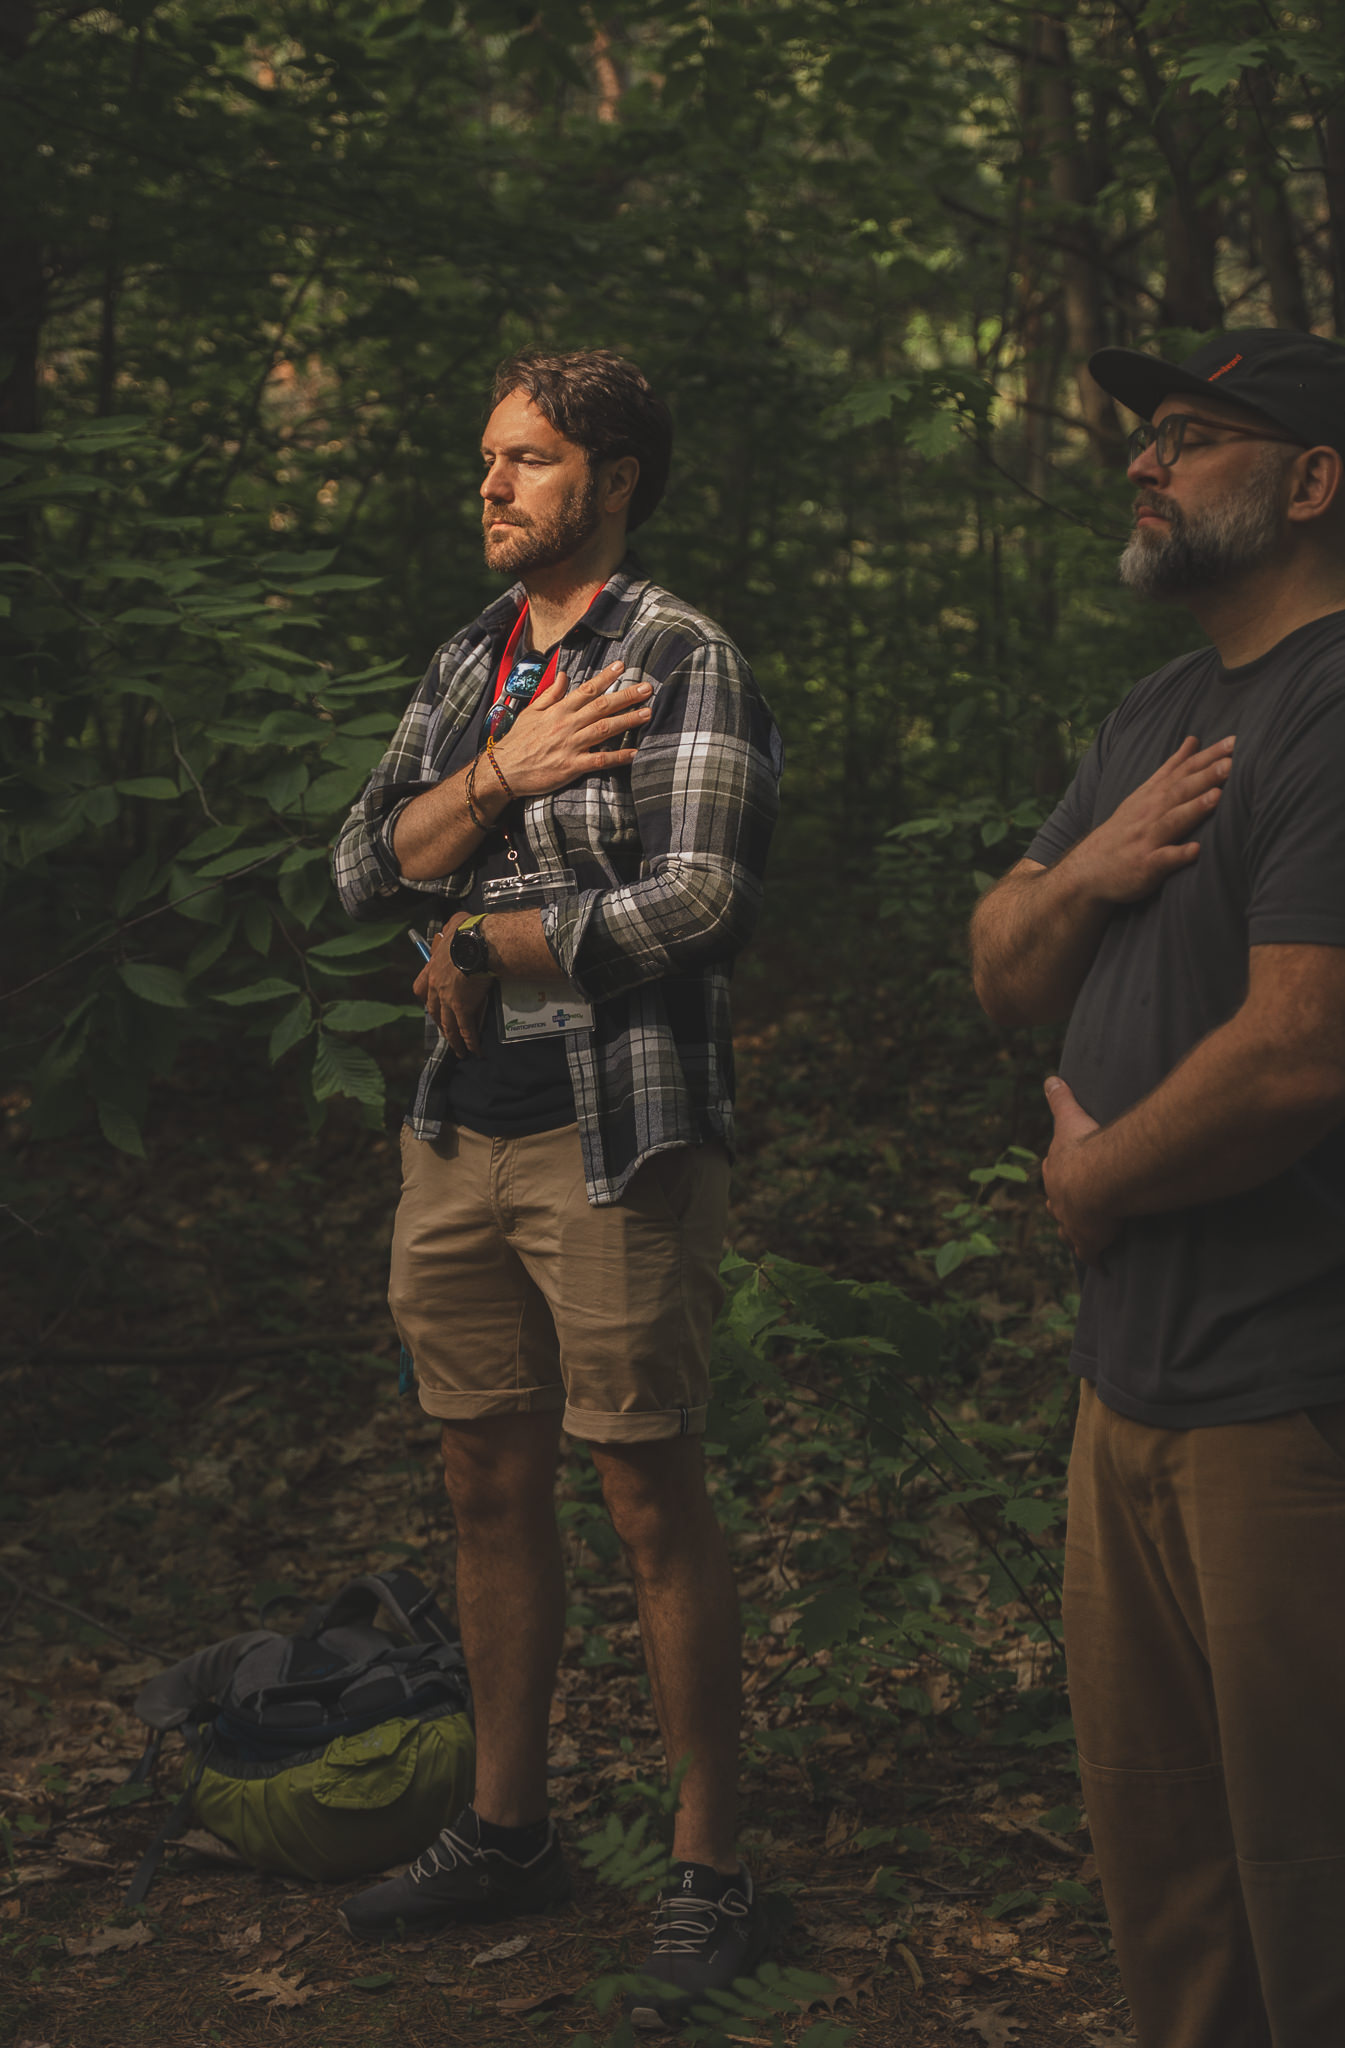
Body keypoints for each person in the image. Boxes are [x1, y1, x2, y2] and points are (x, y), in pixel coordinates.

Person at [968, 329, 1345, 2048]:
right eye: (1148, 436)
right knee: (1177, 1909)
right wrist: (1089, 868)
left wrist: (1094, 1180)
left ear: (1312, 483)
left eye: (1188, 436)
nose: (1142, 462)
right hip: (1136, 1394)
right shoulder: (1156, 716)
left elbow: (1305, 1052)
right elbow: (1003, 966)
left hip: (1325, 1403)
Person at [330, 349, 782, 2029]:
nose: (493, 484)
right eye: (488, 457)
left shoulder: (680, 655)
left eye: (526, 458)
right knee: (481, 1479)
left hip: (619, 1127)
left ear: (614, 478)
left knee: (645, 1487)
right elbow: (361, 862)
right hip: (459, 1126)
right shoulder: (471, 661)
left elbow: (705, 899)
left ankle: (710, 1867)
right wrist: (504, 775)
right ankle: (509, 1828)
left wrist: (491, 935)